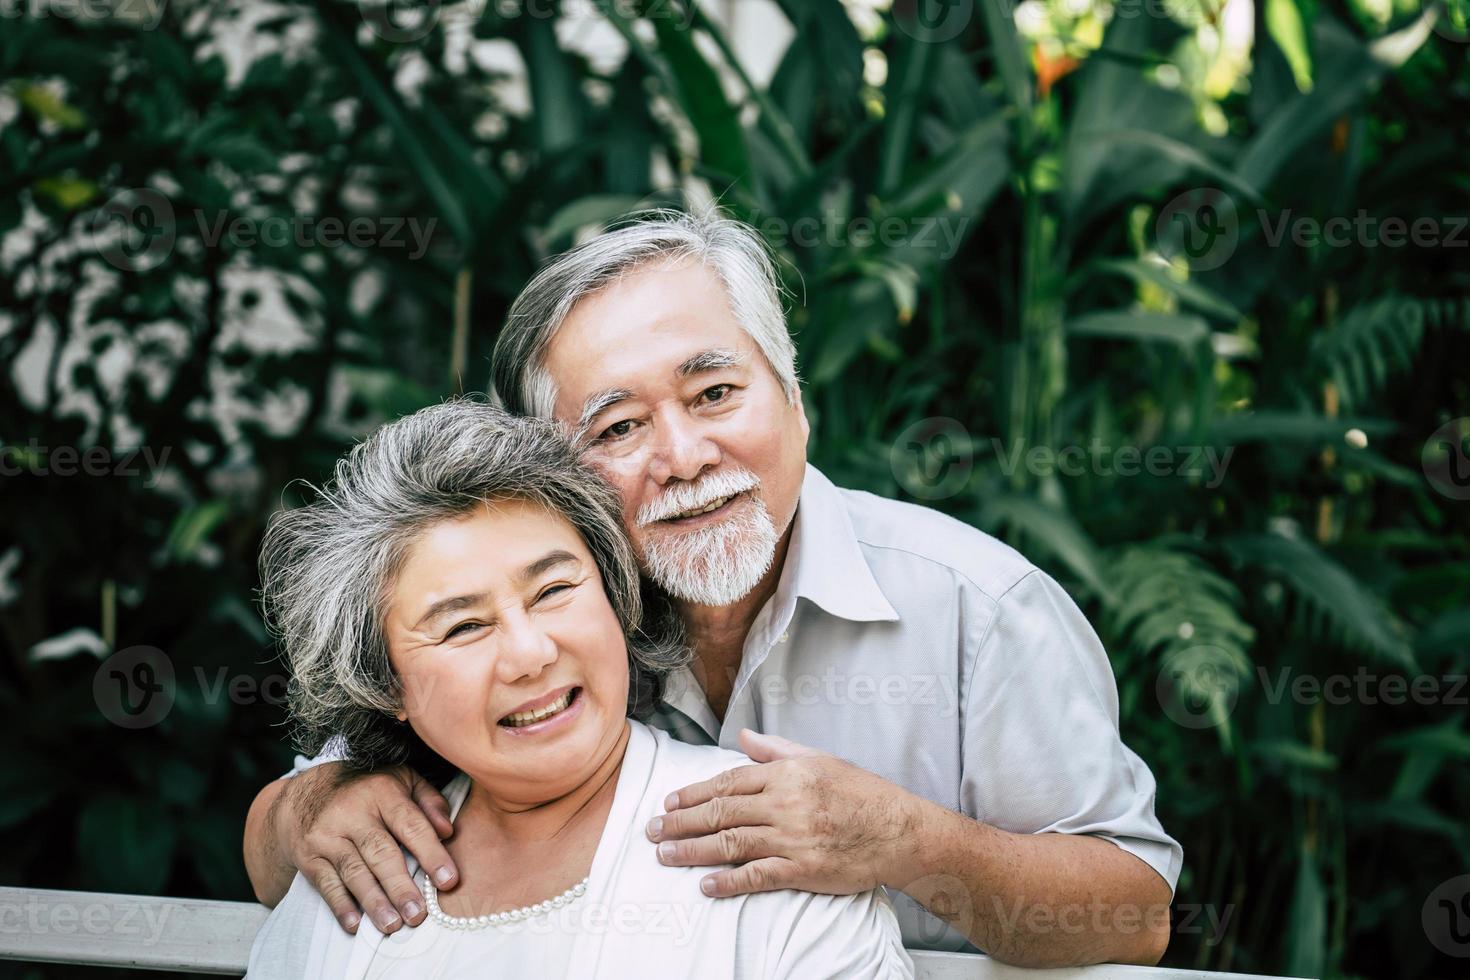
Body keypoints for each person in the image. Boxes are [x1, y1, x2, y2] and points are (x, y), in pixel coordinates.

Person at [244, 210, 1181, 967]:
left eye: (715, 394)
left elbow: (1135, 916)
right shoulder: (542, 613)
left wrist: (907, 841)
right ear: (552, 478)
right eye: (616, 429)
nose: (685, 457)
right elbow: (278, 843)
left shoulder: (978, 604)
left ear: (794, 395)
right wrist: (310, 809)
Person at [246, 401, 912, 978]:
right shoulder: (354, 868)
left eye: (556, 590)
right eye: (464, 626)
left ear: (614, 596)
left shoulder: (771, 847)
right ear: (384, 681)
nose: (531, 654)